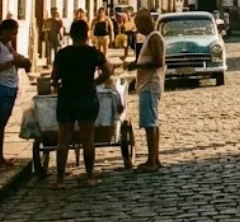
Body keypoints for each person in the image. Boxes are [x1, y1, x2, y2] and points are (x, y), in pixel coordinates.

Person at [50, 19, 112, 188]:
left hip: (67, 97)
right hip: (87, 97)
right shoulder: (92, 52)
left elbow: (54, 77)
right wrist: (96, 82)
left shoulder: (62, 53)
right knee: (88, 139)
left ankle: (60, 180)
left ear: (71, 34)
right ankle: (90, 177)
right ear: (86, 34)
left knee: (63, 140)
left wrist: (57, 84)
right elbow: (108, 70)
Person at [0, 18, 30, 170]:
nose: (13, 36)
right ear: (4, 31)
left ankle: (0, 159)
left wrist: (23, 60)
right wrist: (12, 63)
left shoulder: (8, 45)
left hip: (9, 87)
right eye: (12, 33)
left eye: (15, 33)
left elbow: (15, 56)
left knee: (2, 126)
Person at [125, 10, 165, 172]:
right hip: (147, 84)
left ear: (145, 22)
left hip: (150, 85)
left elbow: (158, 61)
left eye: (138, 24)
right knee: (153, 123)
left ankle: (151, 161)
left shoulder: (154, 38)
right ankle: (155, 158)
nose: (138, 28)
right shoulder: (150, 38)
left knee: (150, 124)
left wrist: (137, 66)